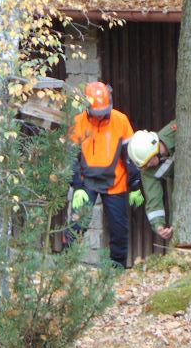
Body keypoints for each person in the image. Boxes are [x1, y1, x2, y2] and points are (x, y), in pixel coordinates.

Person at [65, 81, 143, 268]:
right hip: (86, 182)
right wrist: (77, 187)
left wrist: (135, 185)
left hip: (116, 181)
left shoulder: (120, 120)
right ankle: (66, 265)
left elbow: (130, 155)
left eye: (103, 113)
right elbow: (70, 158)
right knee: (77, 224)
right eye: (97, 113)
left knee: (118, 228)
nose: (101, 117)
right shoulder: (77, 123)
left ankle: (117, 267)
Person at [127, 120, 176, 241]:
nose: (148, 166)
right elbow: (153, 198)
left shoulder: (175, 130)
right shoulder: (147, 170)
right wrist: (159, 226)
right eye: (144, 165)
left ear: (154, 151)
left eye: (148, 162)